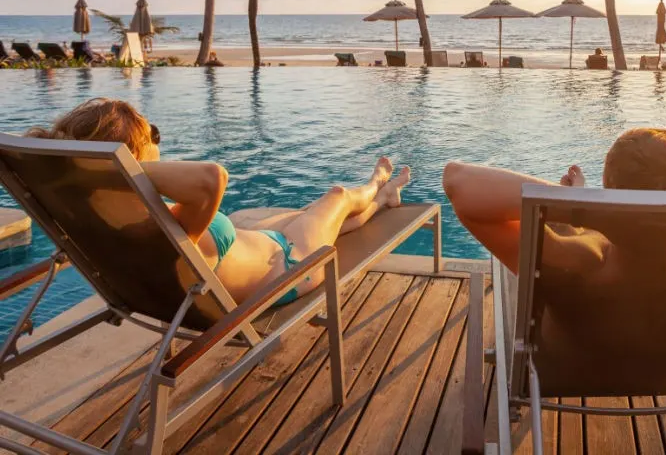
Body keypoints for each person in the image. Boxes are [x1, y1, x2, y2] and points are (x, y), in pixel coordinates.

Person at [27, 98, 410, 305]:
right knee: (337, 198)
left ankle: (383, 198)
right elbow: (213, 176)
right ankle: (377, 182)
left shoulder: (101, 218)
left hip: (262, 248)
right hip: (292, 266)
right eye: (152, 135)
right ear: (134, 156)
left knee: (318, 217)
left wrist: (94, 174)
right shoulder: (162, 226)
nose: (159, 142)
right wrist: (120, 169)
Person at [443, 128, 666, 273]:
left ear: (607, 193)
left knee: (560, 229)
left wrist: (577, 201)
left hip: (580, 370)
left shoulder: (582, 263)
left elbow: (457, 180)